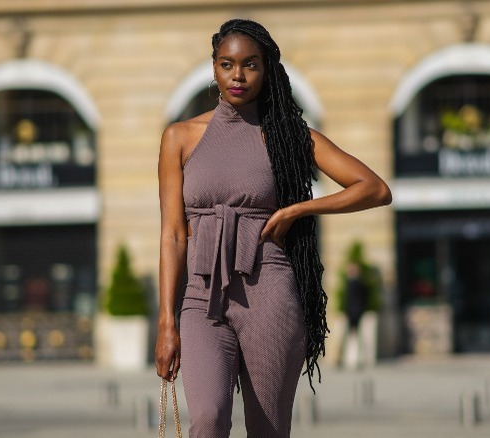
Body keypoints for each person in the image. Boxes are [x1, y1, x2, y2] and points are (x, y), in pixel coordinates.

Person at [156, 18, 392, 437]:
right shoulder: (179, 137)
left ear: (267, 70)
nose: (238, 75)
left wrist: (297, 210)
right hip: (201, 296)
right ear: (214, 67)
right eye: (227, 64)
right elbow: (173, 234)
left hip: (268, 291)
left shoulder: (287, 135)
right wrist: (166, 323)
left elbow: (374, 188)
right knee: (208, 418)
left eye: (250, 65)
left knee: (268, 430)